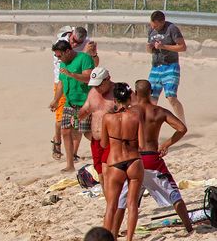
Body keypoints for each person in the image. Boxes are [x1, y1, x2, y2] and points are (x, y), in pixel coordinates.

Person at [113, 79, 191, 234]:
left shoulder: (127, 112)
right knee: (173, 194)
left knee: (122, 200)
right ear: (151, 93)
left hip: (132, 160)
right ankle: (189, 228)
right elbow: (182, 128)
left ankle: (113, 234)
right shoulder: (159, 111)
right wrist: (166, 144)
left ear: (135, 93)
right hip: (151, 158)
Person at [101, 83, 144, 241]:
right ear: (129, 98)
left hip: (115, 161)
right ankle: (129, 239)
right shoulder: (135, 116)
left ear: (115, 99)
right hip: (134, 160)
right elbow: (142, 143)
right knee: (131, 203)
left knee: (111, 206)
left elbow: (104, 144)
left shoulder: (108, 118)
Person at [52, 39, 94, 172]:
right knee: (65, 131)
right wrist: (55, 100)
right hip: (69, 103)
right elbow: (61, 83)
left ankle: (109, 149)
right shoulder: (63, 64)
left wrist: (72, 74)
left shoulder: (84, 58)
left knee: (87, 133)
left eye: (60, 56)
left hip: (85, 103)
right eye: (56, 56)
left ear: (68, 51)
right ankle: (70, 165)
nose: (58, 59)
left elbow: (88, 77)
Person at [146, 11, 186, 123]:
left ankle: (182, 122)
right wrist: (149, 47)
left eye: (156, 25)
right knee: (151, 99)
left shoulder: (172, 29)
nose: (154, 28)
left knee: (171, 97)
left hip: (171, 66)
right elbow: (149, 51)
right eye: (152, 25)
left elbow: (182, 47)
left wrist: (163, 46)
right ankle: (150, 125)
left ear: (162, 22)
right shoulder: (151, 30)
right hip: (155, 67)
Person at [78, 67, 115, 178]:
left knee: (109, 170)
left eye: (99, 85)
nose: (97, 88)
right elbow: (85, 109)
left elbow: (136, 107)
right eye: (95, 85)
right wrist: (77, 117)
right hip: (96, 141)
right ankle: (107, 195)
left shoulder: (118, 90)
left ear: (108, 79)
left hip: (113, 140)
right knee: (100, 173)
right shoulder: (93, 92)